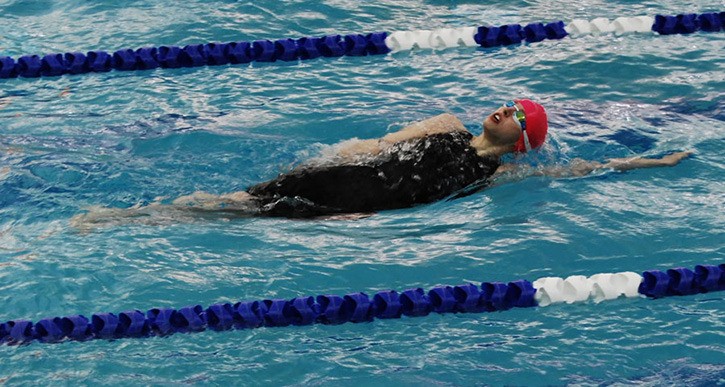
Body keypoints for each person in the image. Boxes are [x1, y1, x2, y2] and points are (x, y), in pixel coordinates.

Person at [71, 99, 691, 227]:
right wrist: (325, 160)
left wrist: (653, 163)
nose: (502, 110)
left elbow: (576, 173)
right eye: (506, 105)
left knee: (246, 217)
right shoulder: (446, 123)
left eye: (515, 114)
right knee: (245, 202)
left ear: (522, 138)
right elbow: (376, 145)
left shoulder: (502, 173)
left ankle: (132, 219)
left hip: (364, 206)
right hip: (350, 180)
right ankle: (126, 217)